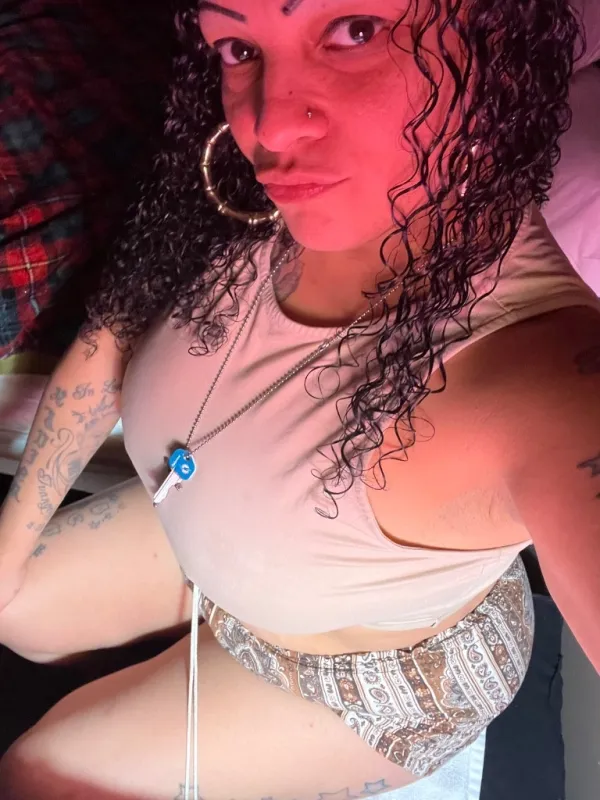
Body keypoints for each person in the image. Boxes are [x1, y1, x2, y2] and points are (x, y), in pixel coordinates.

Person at [0, 0, 599, 798]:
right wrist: (9, 545)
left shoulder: (542, 373)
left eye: (356, 30)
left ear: (497, 34)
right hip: (221, 540)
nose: (269, 126)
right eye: (238, 46)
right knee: (13, 610)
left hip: (377, 681)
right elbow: (112, 332)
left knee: (36, 773)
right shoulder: (236, 187)